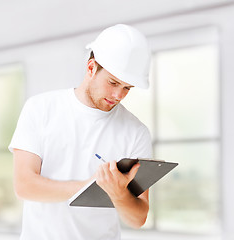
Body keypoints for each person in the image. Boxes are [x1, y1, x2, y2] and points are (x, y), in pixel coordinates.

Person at [9, 24, 152, 240]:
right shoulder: (40, 108)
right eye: (113, 82)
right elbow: (25, 186)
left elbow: (138, 218)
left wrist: (119, 192)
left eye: (127, 88)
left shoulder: (136, 132)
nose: (119, 95)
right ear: (91, 68)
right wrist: (90, 187)